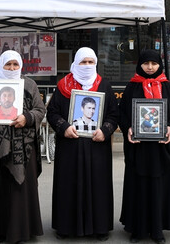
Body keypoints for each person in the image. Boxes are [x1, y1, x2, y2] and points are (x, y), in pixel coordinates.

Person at [46, 47, 119, 241]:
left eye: (90, 62)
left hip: (97, 146)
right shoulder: (63, 85)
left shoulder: (104, 85)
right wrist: (64, 127)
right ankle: (65, 226)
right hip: (70, 146)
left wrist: (105, 130)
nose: (87, 66)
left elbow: (114, 114)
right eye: (83, 62)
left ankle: (100, 226)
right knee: (69, 185)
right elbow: (52, 113)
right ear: (75, 63)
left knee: (98, 186)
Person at [0, 50, 45, 244]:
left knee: (19, 188)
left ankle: (20, 231)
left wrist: (27, 118)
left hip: (23, 149)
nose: (12, 68)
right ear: (0, 65)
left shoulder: (30, 85)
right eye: (8, 65)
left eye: (15, 65)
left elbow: (40, 110)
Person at [118, 49, 170, 244]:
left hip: (161, 148)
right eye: (146, 63)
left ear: (160, 65)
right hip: (139, 148)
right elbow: (122, 113)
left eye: (154, 63)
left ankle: (158, 229)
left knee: (160, 187)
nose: (150, 67)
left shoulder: (167, 86)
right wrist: (129, 129)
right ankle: (137, 229)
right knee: (138, 187)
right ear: (139, 64)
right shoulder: (132, 87)